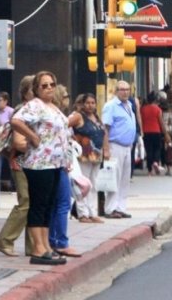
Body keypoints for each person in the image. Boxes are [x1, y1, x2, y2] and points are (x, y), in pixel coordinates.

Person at [10, 71, 69, 266]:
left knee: (49, 205)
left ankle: (46, 246)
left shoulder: (53, 107)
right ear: (36, 89)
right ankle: (37, 248)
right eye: (44, 85)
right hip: (39, 163)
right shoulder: (34, 106)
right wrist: (33, 137)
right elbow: (16, 121)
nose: (49, 88)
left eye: (52, 84)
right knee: (39, 204)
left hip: (55, 163)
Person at [0, 75, 35, 258]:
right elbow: (19, 143)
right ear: (26, 93)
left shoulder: (35, 110)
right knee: (26, 202)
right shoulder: (22, 111)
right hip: (20, 161)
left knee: (33, 203)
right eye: (35, 88)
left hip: (33, 163)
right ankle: (5, 240)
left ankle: (33, 246)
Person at [46, 84, 80, 258]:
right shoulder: (57, 116)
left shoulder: (58, 114)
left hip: (60, 162)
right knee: (63, 202)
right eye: (65, 95)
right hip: (56, 163)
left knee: (57, 203)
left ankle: (54, 239)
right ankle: (60, 241)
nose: (68, 98)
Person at [101, 81, 136, 219]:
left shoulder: (129, 105)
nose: (125, 92)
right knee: (114, 178)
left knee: (124, 179)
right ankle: (110, 208)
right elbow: (105, 128)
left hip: (128, 146)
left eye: (127, 89)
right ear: (116, 91)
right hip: (115, 145)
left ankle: (121, 207)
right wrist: (106, 148)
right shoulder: (111, 106)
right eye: (122, 90)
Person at [69, 93, 107, 223]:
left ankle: (92, 212)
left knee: (94, 184)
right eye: (88, 103)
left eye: (93, 103)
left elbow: (104, 133)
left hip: (96, 155)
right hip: (84, 155)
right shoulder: (79, 116)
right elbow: (65, 125)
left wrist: (106, 149)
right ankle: (82, 213)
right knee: (83, 184)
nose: (90, 105)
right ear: (83, 104)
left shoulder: (96, 117)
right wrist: (73, 140)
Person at [140, 91, 169, 175]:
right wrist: (165, 133)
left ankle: (149, 170)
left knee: (149, 150)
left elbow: (141, 120)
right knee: (157, 148)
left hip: (146, 131)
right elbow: (161, 122)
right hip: (156, 131)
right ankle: (156, 162)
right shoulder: (157, 109)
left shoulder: (143, 109)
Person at [0, 91, 15, 190]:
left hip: (8, 140)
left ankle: (13, 184)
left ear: (6, 101)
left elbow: (13, 125)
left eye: (0, 100)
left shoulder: (10, 111)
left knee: (11, 162)